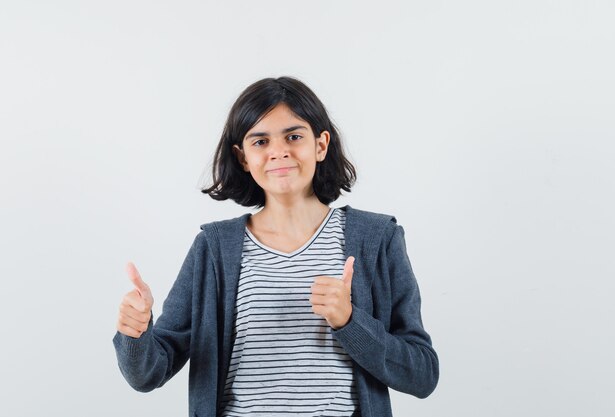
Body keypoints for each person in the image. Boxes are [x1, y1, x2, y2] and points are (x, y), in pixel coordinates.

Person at [113, 76, 439, 417]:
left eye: (294, 136)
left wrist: (349, 321)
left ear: (321, 144)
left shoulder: (376, 238)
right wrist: (135, 333)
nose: (278, 151)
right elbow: (149, 374)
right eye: (260, 141)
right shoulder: (214, 249)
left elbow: (422, 374)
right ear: (242, 157)